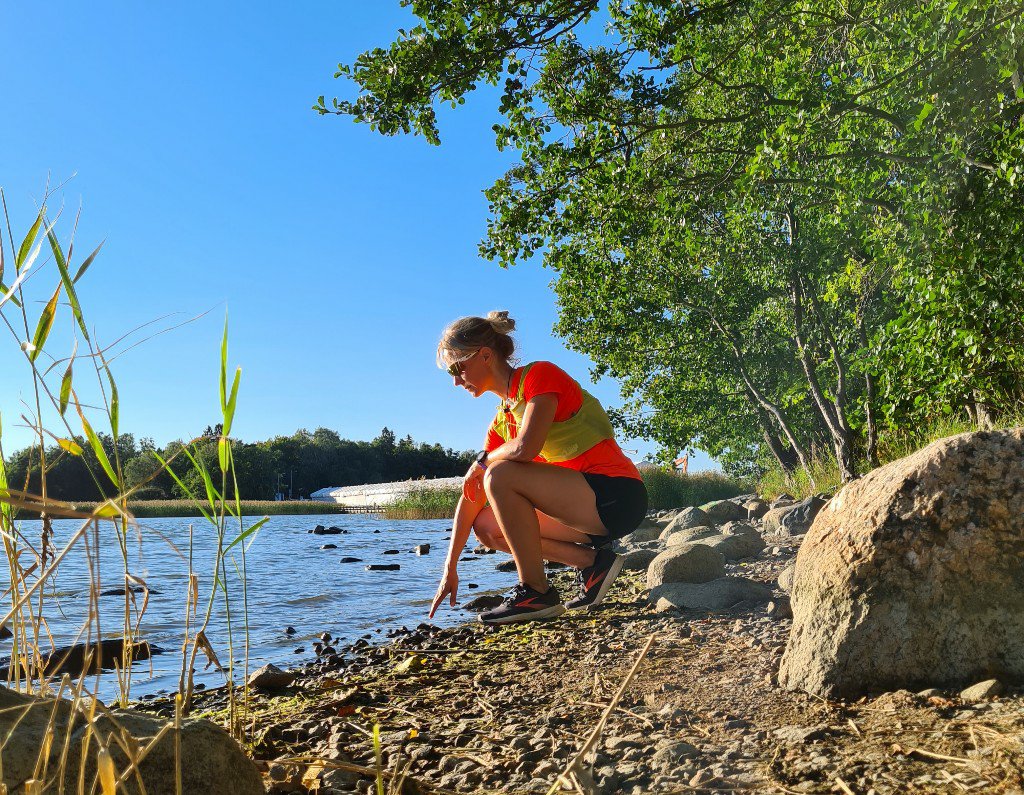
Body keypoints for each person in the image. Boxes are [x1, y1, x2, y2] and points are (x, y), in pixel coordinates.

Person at [429, 311, 649, 625]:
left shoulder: (539, 376)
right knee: (487, 527)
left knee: (499, 474)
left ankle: (535, 592)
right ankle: (592, 563)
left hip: (618, 497)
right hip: (582, 513)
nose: (455, 380)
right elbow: (471, 496)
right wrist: (450, 567)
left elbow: (525, 447)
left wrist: (484, 461)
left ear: (485, 356)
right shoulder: (502, 422)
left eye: (457, 368)